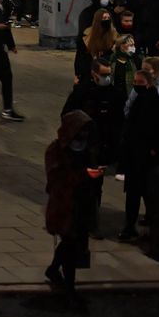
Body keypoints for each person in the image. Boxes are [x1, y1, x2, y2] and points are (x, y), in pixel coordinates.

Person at [45, 110, 102, 296]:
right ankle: (69, 286)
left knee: (73, 242)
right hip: (65, 205)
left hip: (82, 204)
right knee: (70, 243)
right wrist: (84, 175)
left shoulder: (87, 150)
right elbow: (57, 180)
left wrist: (94, 175)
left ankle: (54, 270)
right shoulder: (56, 151)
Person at [117, 69, 159, 242]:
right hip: (141, 156)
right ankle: (143, 226)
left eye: (140, 83)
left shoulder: (152, 103)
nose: (136, 86)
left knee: (138, 194)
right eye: (135, 82)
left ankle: (132, 227)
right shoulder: (151, 101)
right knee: (143, 194)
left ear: (148, 83)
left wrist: (154, 148)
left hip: (142, 157)